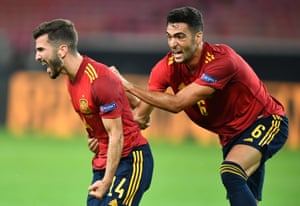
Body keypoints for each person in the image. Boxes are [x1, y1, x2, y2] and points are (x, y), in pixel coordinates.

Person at [113, 6, 289, 206]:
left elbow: (177, 103)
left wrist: (126, 85)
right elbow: (140, 116)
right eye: (169, 37)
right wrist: (106, 131)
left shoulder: (222, 61)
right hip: (231, 136)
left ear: (198, 37)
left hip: (266, 120)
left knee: (231, 172)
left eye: (180, 37)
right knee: (239, 189)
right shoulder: (165, 68)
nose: (173, 44)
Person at [32, 19, 154, 206]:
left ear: (62, 50)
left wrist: (106, 181)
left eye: (41, 50)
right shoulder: (72, 79)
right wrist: (96, 137)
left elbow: (117, 135)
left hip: (130, 160)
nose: (37, 57)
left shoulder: (99, 80)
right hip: (103, 162)